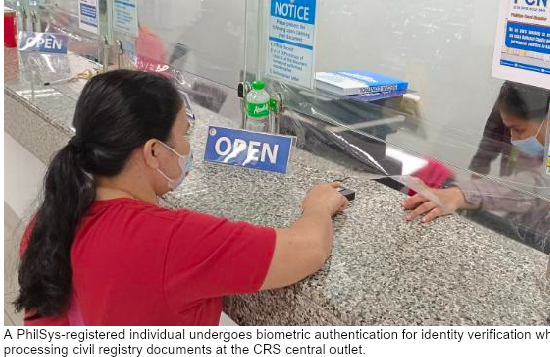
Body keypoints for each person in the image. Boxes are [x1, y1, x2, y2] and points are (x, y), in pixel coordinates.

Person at [13, 69, 348, 325]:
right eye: (184, 135)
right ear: (154, 151)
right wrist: (317, 206)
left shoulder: (47, 223)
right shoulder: (171, 241)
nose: (188, 149)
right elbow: (309, 250)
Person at [402, 81, 550, 223]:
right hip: (517, 207)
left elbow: (538, 185)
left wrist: (461, 194)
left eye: (518, 129)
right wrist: (480, 167)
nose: (513, 139)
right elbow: (493, 132)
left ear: (549, 119)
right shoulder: (513, 91)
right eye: (509, 130)